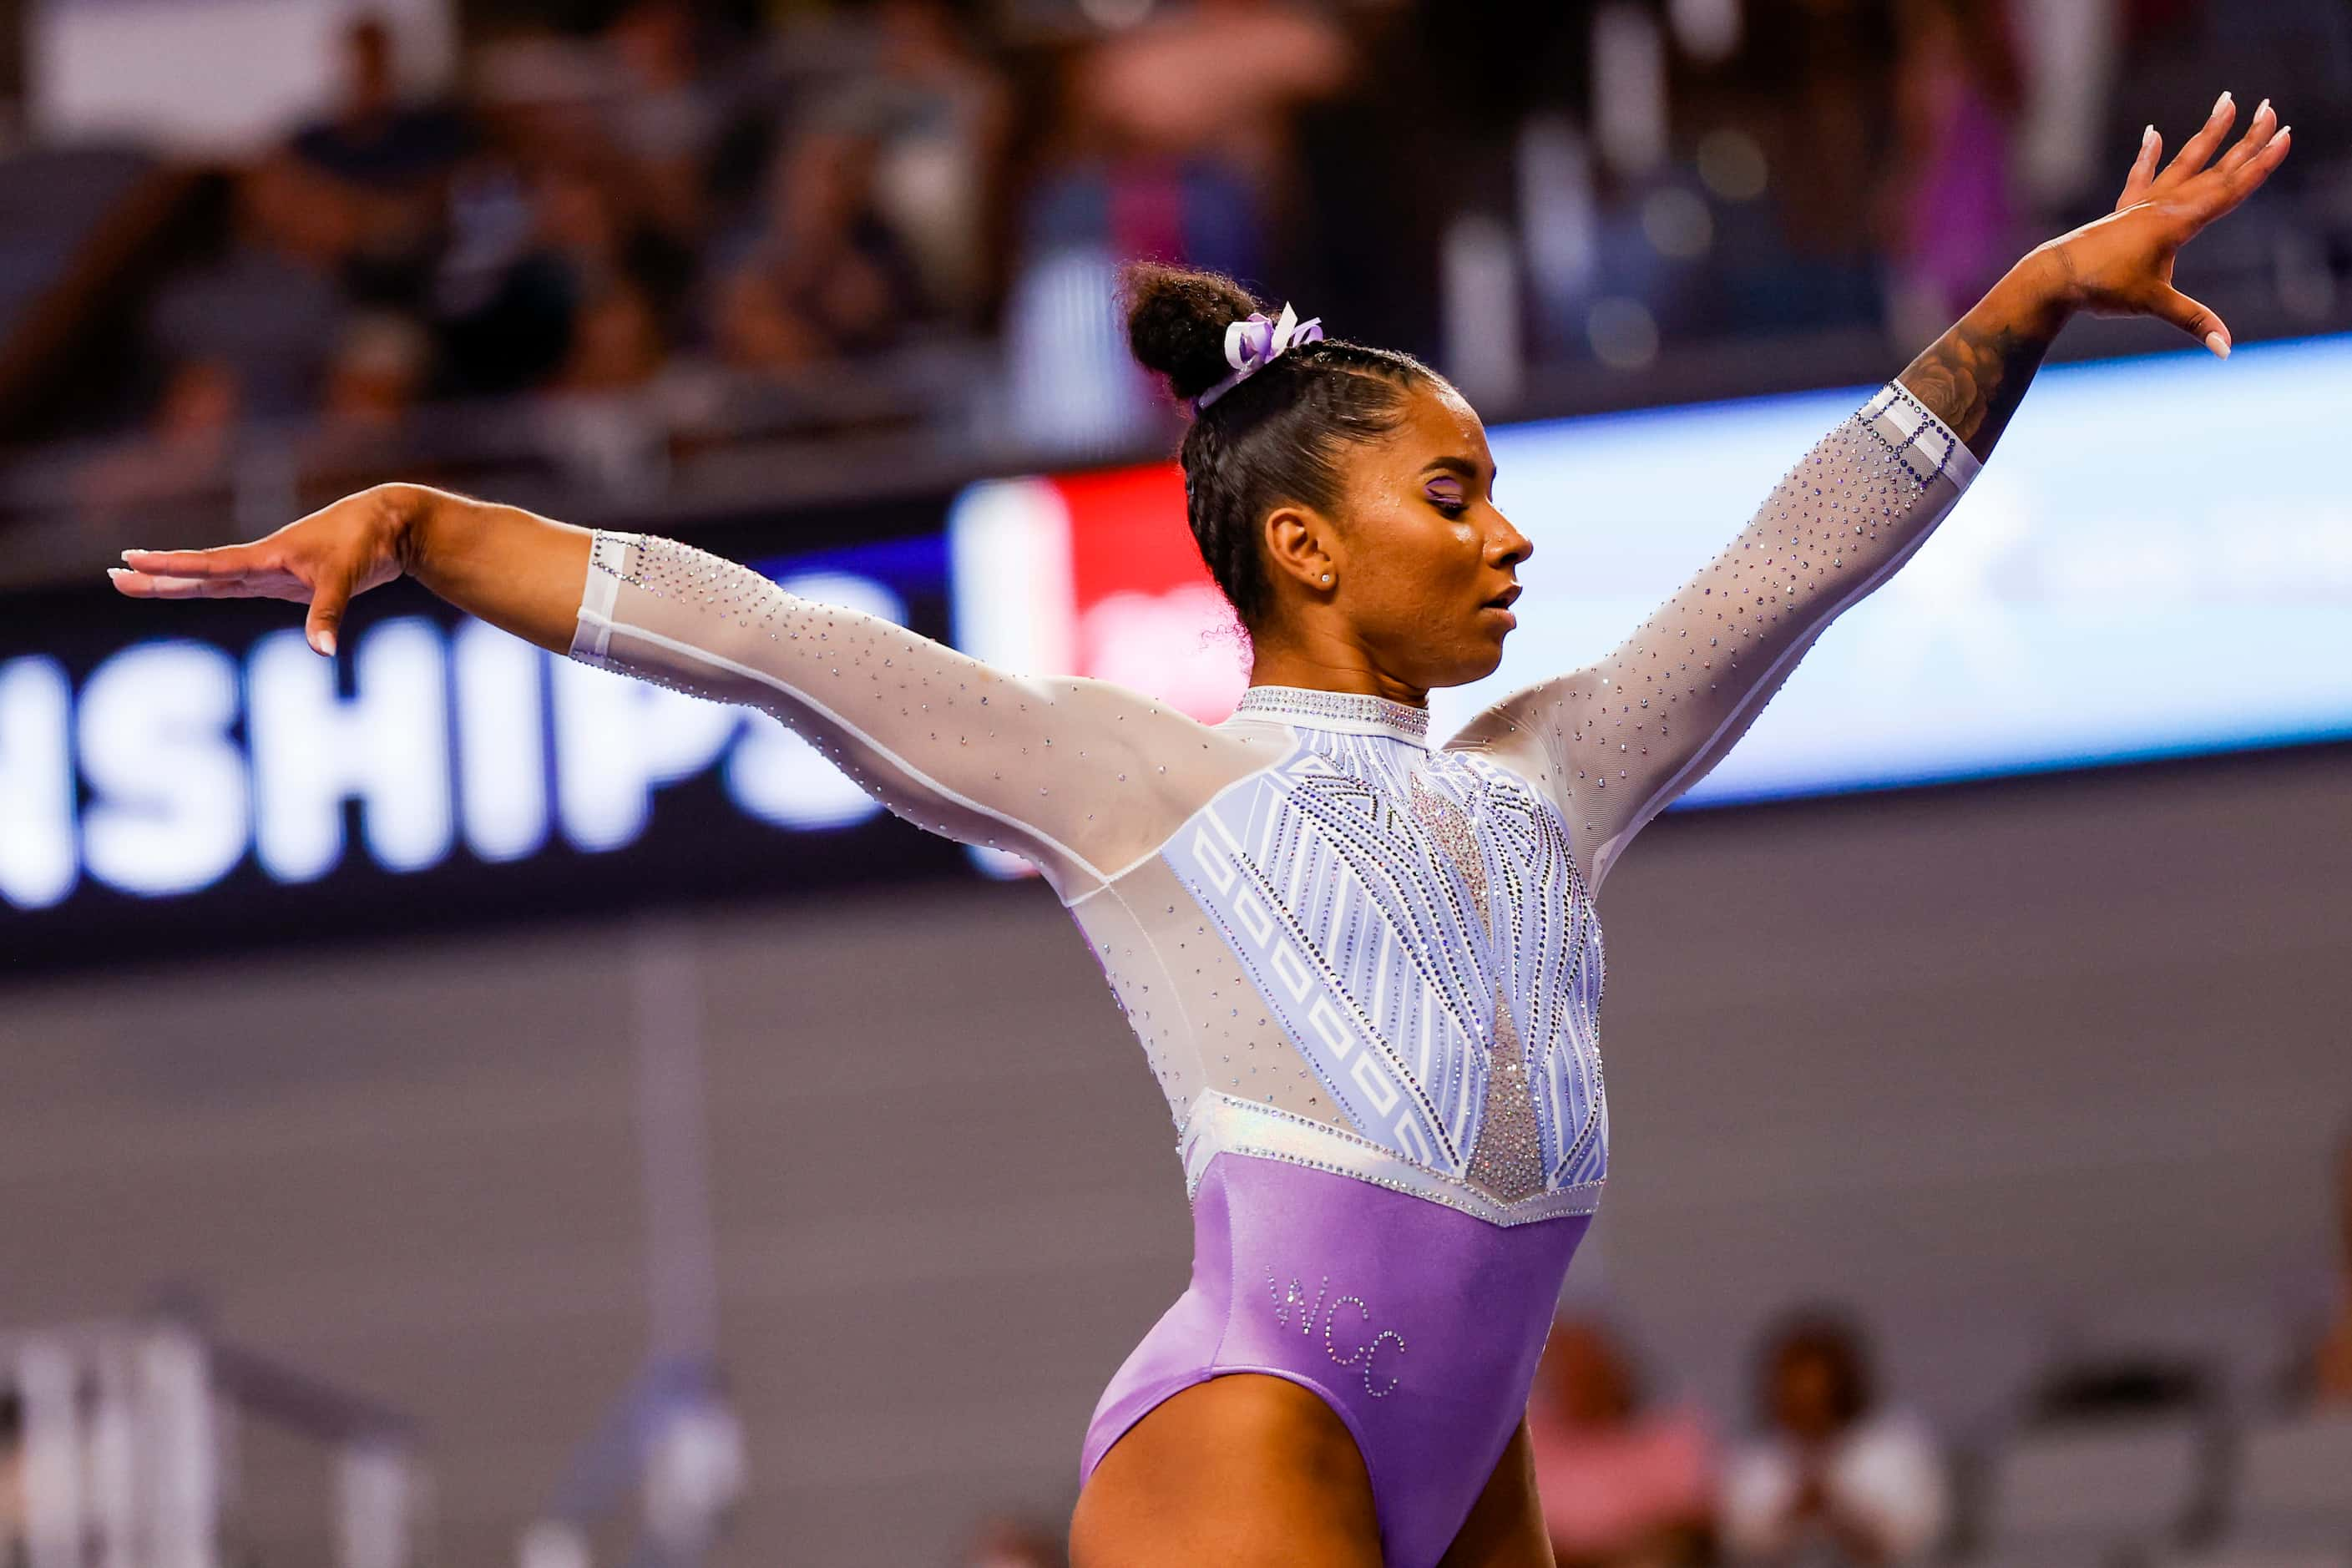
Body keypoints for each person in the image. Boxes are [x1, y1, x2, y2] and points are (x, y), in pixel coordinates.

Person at [109, 94, 2289, 1568]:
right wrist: (416, 521)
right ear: (1305, 549)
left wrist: (2020, 304)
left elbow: (1801, 551)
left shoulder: (1558, 769)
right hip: (1260, 1412)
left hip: (1474, 1450)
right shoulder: (1131, 774)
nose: (1511, 535)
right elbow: (763, 635)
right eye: (1455, 493)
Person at [1720, 1309, 1948, 1566]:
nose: (1808, 1408)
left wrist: (1838, 1513)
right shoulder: (1758, 1457)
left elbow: (1919, 1537)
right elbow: (1738, 1543)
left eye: (1817, 1396)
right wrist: (1793, 1513)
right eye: (1795, 1397)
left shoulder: (1892, 1445)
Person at [1525, 1317, 1715, 1567]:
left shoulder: (1669, 1437)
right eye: (1567, 1369)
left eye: (1589, 1369)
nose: (1577, 1380)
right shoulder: (1527, 1439)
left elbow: (1692, 1528)